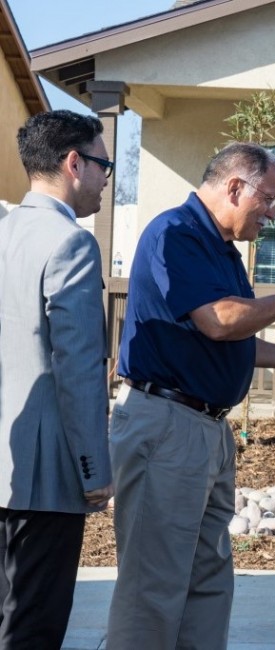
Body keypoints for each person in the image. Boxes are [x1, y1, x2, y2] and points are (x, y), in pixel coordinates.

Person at [106, 142, 275, 650]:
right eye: (268, 198)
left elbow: (238, 341)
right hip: (167, 427)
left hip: (206, 430)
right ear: (234, 187)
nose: (272, 212)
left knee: (208, 582)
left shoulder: (222, 250)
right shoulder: (174, 234)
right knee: (153, 588)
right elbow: (220, 321)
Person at [0, 110, 114, 648]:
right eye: (104, 166)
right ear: (74, 163)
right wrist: (94, 469)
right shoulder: (70, 243)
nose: (105, 179)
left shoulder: (4, 231)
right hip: (45, 478)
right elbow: (79, 368)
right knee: (32, 629)